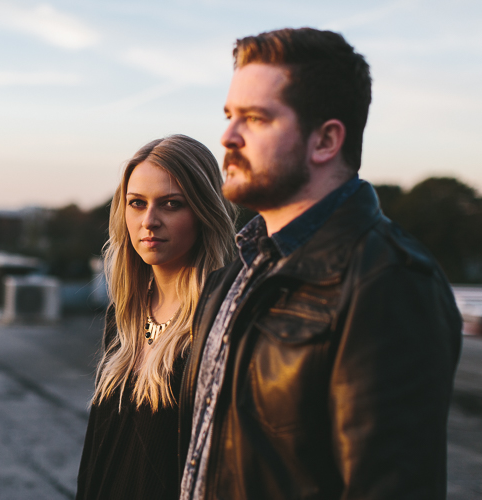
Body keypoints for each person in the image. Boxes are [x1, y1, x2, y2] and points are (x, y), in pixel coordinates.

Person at [179, 28, 463, 500]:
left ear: (326, 140)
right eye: (229, 115)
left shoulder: (389, 281)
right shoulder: (241, 267)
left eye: (255, 118)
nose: (227, 136)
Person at [76, 134, 235, 500]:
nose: (149, 221)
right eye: (137, 203)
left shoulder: (222, 318)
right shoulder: (125, 315)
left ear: (203, 211)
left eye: (171, 204)